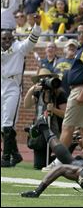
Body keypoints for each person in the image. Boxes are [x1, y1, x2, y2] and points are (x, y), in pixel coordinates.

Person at [42, 21, 83, 171]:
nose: (79, 35)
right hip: (82, 89)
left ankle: (59, 161)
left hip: (82, 89)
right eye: (78, 32)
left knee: (67, 126)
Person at [1, 13, 41, 167]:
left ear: (13, 38)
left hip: (13, 86)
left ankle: (5, 158)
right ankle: (16, 154)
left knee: (7, 123)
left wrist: (36, 26)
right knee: (3, 125)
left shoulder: (19, 48)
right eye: (3, 39)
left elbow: (31, 41)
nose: (6, 42)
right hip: (1, 85)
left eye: (8, 38)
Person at [24, 68, 67, 169]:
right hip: (40, 132)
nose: (44, 81)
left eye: (47, 78)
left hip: (56, 132)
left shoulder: (59, 93)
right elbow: (26, 105)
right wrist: (31, 90)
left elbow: (66, 115)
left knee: (52, 161)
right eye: (42, 79)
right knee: (39, 165)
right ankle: (58, 160)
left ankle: (62, 158)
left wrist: (54, 110)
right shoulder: (38, 93)